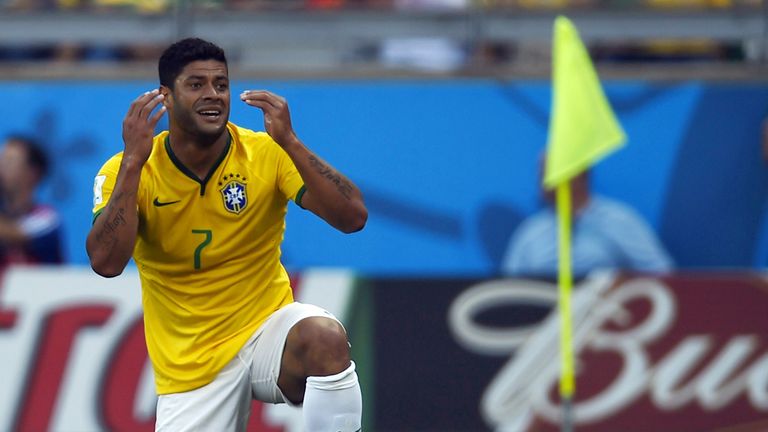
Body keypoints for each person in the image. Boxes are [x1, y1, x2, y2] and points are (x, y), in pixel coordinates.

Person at [86, 38, 367, 431]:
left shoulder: (265, 153)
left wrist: (290, 142)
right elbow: (105, 263)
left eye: (221, 84)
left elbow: (353, 217)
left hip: (266, 331)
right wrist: (134, 161)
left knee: (324, 338)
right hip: (192, 363)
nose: (213, 95)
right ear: (166, 97)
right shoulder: (127, 169)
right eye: (196, 84)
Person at [501, 167, 673, 279]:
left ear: (579, 175)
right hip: (544, 327)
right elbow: (508, 287)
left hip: (606, 325)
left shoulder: (618, 220)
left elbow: (661, 272)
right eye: (540, 174)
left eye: (549, 172)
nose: (543, 182)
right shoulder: (531, 231)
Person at [0, 135, 64, 271]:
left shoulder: (48, 217)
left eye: (9, 162)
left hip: (41, 291)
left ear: (33, 173)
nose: (1, 168)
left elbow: (17, 234)